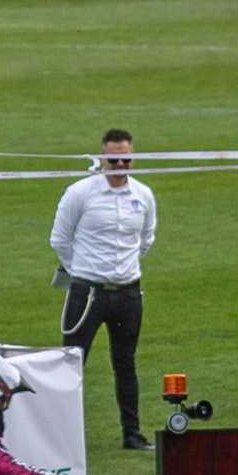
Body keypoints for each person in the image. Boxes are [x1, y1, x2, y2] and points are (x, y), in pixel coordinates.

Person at [51, 129, 157, 450]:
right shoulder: (80, 192)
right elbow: (60, 239)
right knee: (71, 364)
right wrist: (83, 271)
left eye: (126, 158)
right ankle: (60, 439)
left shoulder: (143, 195)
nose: (120, 165)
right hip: (88, 295)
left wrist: (121, 270)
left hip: (127, 293)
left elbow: (146, 239)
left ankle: (132, 434)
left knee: (126, 363)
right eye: (113, 159)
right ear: (101, 157)